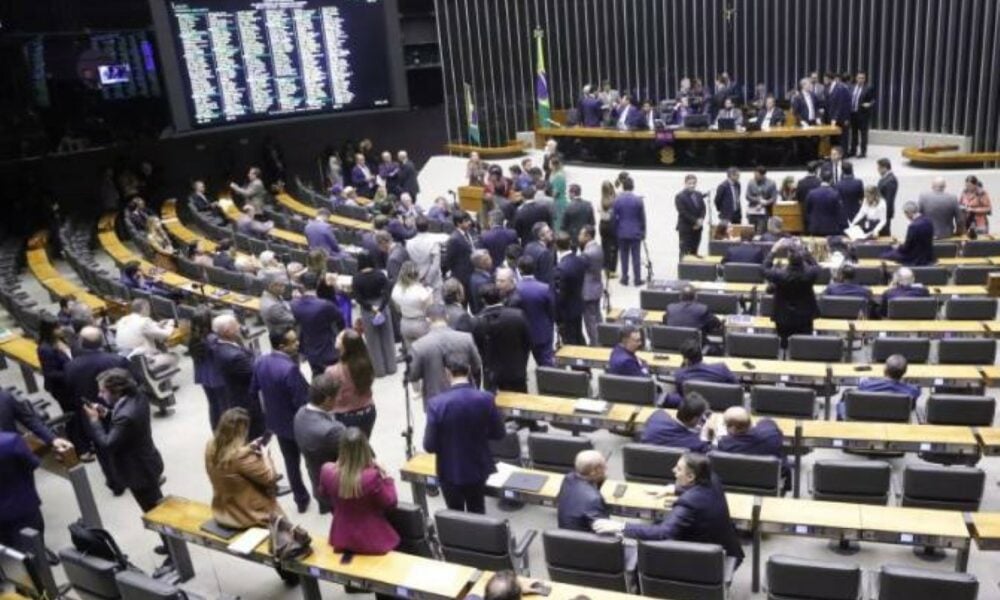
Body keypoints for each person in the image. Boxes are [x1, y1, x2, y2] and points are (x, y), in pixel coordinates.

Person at [594, 452, 744, 564]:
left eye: (678, 469)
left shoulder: (688, 504)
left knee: (648, 547)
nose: (673, 470)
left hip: (708, 557)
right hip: (729, 546)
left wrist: (621, 526)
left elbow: (663, 533)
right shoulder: (711, 477)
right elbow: (700, 488)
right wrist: (673, 489)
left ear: (691, 476)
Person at [205, 408, 298, 584]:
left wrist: (249, 449)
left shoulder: (211, 445)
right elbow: (270, 478)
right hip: (248, 514)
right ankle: (291, 575)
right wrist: (265, 455)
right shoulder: (239, 456)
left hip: (223, 509)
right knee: (282, 530)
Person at [84, 369, 166, 530]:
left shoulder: (126, 415)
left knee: (154, 512)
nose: (100, 395)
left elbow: (108, 443)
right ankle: (170, 545)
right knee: (156, 507)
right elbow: (124, 421)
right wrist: (106, 413)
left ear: (117, 391)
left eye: (103, 391)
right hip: (147, 460)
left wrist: (94, 421)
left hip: (138, 470)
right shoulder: (138, 397)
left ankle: (172, 549)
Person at [423, 354, 506, 513]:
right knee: (478, 511)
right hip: (478, 466)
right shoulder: (486, 398)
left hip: (449, 468)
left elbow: (429, 446)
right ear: (468, 370)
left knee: (456, 517)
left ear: (447, 372)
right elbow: (499, 433)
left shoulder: (435, 404)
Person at [249, 327, 311, 513]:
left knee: (291, 462)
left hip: (277, 422)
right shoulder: (290, 369)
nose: (298, 343)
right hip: (298, 425)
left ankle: (300, 500)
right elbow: (301, 401)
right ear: (282, 346)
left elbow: (253, 390)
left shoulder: (260, 362)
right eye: (293, 342)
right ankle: (324, 502)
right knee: (312, 463)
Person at [66, 326, 131, 493]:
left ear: (81, 343)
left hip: (90, 413)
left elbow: (71, 391)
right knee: (127, 444)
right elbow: (134, 382)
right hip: (120, 409)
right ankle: (133, 477)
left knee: (103, 451)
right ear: (102, 341)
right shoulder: (116, 360)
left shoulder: (71, 367)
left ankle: (116, 484)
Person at [318, 427, 399, 554]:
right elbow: (389, 502)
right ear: (365, 447)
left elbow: (323, 495)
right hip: (371, 538)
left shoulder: (327, 470)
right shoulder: (372, 476)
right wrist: (387, 478)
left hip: (341, 534)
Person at [36, 316, 90, 458]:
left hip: (73, 384)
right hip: (62, 389)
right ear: (49, 330)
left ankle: (86, 443)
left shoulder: (61, 340)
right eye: (57, 327)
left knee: (81, 414)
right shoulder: (45, 349)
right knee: (73, 418)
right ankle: (81, 450)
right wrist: (71, 372)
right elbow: (50, 373)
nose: (60, 329)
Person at [294, 374, 346, 514]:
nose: (340, 399)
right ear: (328, 399)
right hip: (340, 491)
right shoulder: (334, 431)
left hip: (318, 482)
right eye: (338, 396)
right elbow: (361, 456)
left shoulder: (300, 414)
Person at [409, 304, 482, 403]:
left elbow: (413, 376)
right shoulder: (466, 338)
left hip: (435, 399)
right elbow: (477, 365)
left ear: (428, 320)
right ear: (447, 317)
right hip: (464, 395)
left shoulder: (419, 345)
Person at [212, 314, 265, 439]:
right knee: (256, 435)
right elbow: (255, 371)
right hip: (247, 400)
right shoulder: (234, 356)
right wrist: (257, 357)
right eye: (236, 325)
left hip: (234, 393)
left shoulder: (220, 345)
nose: (239, 327)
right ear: (227, 331)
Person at [473, 284, 532, 393]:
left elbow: (478, 348)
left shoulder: (477, 322)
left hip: (492, 373)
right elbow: (528, 341)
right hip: (516, 370)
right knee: (521, 404)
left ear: (482, 300)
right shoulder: (517, 316)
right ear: (501, 296)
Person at [321, 329, 378, 438]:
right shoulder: (366, 364)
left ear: (344, 347)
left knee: (351, 450)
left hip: (345, 417)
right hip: (368, 412)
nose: (336, 337)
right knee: (363, 444)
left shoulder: (332, 371)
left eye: (339, 338)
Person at [764, 242, 821, 347]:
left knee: (783, 344)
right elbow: (817, 267)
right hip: (805, 315)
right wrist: (806, 253)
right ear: (802, 260)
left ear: (788, 259)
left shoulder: (779, 275)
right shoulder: (810, 274)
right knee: (804, 345)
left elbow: (764, 269)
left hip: (783, 316)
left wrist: (773, 251)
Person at [291, 272, 346, 375]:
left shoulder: (294, 305)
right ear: (317, 284)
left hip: (309, 349)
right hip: (328, 348)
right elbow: (341, 322)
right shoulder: (325, 305)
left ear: (301, 286)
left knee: (317, 377)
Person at [353, 251, 396, 377]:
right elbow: (387, 292)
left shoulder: (356, 278)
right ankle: (391, 367)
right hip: (382, 306)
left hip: (368, 310)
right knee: (388, 338)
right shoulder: (380, 274)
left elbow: (358, 298)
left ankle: (379, 371)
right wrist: (381, 307)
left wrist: (371, 307)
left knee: (373, 342)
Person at [838, 354, 920, 419]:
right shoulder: (912, 390)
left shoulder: (866, 385)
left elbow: (861, 387)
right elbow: (914, 400)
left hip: (866, 418)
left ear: (885, 370)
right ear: (904, 373)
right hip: (897, 420)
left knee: (843, 399)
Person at [662, 340, 738, 408]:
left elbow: (682, 395)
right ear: (701, 354)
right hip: (722, 404)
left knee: (666, 397)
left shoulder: (680, 374)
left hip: (694, 408)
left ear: (686, 359)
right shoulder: (721, 368)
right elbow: (736, 386)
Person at [511, 256, 556, 367]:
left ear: (519, 270)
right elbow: (551, 310)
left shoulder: (515, 289)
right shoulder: (544, 288)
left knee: (520, 366)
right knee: (546, 365)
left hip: (521, 334)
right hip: (542, 331)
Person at [187, 307, 226, 431]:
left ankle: (216, 430)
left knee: (213, 404)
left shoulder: (193, 338)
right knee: (224, 407)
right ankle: (225, 433)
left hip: (204, 376)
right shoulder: (213, 339)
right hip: (217, 377)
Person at [114, 298, 177, 371]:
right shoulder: (144, 321)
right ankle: (162, 379)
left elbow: (138, 328)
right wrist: (171, 324)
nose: (149, 311)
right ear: (144, 308)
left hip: (126, 358)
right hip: (143, 361)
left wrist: (157, 325)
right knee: (174, 357)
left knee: (159, 348)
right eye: (149, 308)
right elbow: (166, 334)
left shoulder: (123, 319)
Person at [556, 450, 610, 532]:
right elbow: (603, 529)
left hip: (565, 533)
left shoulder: (568, 478)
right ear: (593, 471)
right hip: (584, 540)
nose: (606, 468)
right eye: (603, 466)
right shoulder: (593, 499)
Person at [641, 391, 711, 448]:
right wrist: (704, 436)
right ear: (694, 419)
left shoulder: (657, 416)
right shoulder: (696, 443)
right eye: (701, 417)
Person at [553, 232, 586, 346]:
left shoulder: (560, 268)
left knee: (570, 342)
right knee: (579, 336)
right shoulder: (580, 260)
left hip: (566, 312)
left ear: (556, 246)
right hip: (578, 305)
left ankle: (577, 364)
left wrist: (557, 316)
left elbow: (560, 296)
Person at [392, 260, 433, 350]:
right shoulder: (420, 291)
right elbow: (430, 309)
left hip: (405, 323)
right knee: (426, 352)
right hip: (420, 323)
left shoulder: (396, 289)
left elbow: (398, 309)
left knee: (412, 355)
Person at [613, 177, 646, 285]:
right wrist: (643, 231)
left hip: (622, 231)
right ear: (633, 186)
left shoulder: (617, 200)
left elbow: (614, 217)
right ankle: (637, 279)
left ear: (623, 187)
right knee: (636, 256)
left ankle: (625, 278)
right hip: (635, 231)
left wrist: (616, 230)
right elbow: (642, 218)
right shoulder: (638, 200)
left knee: (623, 256)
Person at [578, 225, 604, 345]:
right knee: (597, 317)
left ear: (588, 236)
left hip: (588, 291)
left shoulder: (587, 254)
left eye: (581, 234)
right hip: (596, 287)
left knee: (590, 320)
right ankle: (602, 338)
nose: (579, 237)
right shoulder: (598, 248)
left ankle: (595, 342)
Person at [405, 217, 444, 296]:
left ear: (415, 227)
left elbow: (409, 263)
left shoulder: (408, 243)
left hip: (417, 280)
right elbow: (435, 264)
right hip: (434, 282)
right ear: (429, 226)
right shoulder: (434, 242)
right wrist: (427, 280)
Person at [804, 169, 846, 236]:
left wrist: (811, 221)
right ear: (831, 180)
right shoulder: (835, 194)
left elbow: (807, 210)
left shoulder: (811, 193)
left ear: (820, 179)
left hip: (815, 227)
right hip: (831, 228)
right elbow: (839, 212)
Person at [444, 213, 476, 295]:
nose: (469, 223)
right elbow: (449, 259)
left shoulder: (468, 233)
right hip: (461, 276)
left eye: (469, 220)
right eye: (466, 221)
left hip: (471, 273)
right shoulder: (454, 239)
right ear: (458, 224)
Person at [675, 174, 707, 256]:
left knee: (694, 251)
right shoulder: (680, 196)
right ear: (685, 183)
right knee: (684, 252)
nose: (692, 185)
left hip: (698, 228)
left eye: (694, 183)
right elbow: (683, 212)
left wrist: (701, 219)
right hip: (686, 228)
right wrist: (696, 221)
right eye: (690, 183)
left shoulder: (699, 194)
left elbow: (703, 209)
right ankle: (683, 268)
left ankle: (693, 268)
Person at [849, 72, 875, 157]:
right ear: (856, 78)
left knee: (863, 134)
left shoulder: (868, 88)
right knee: (854, 133)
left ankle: (863, 152)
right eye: (859, 78)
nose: (861, 80)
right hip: (853, 114)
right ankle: (853, 150)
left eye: (863, 78)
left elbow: (873, 99)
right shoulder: (851, 87)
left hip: (863, 114)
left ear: (865, 79)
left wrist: (869, 104)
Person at [745, 167, 777, 233]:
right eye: (754, 175)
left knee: (762, 231)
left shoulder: (771, 183)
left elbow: (774, 198)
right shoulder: (751, 182)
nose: (755, 177)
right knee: (751, 231)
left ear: (763, 175)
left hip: (764, 213)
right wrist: (758, 200)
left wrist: (765, 202)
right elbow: (747, 196)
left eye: (757, 175)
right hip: (752, 212)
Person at [598, 181, 618, 278]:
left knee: (604, 246)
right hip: (612, 225)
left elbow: (599, 210)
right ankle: (612, 270)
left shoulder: (601, 200)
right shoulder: (614, 200)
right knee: (614, 247)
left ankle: (605, 266)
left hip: (602, 225)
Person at [876, 158, 898, 236]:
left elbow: (889, 199)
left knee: (884, 233)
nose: (877, 170)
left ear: (884, 168)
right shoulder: (885, 178)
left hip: (884, 212)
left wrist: (883, 213)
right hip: (881, 210)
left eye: (879, 168)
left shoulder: (890, 181)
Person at [467, 250, 494, 315]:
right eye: (489, 259)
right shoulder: (482, 282)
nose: (491, 260)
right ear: (483, 263)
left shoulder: (474, 276)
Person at [549, 158, 568, 231]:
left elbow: (555, 193)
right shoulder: (554, 174)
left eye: (550, 163)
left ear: (553, 165)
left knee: (558, 223)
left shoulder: (558, 177)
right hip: (556, 201)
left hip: (559, 202)